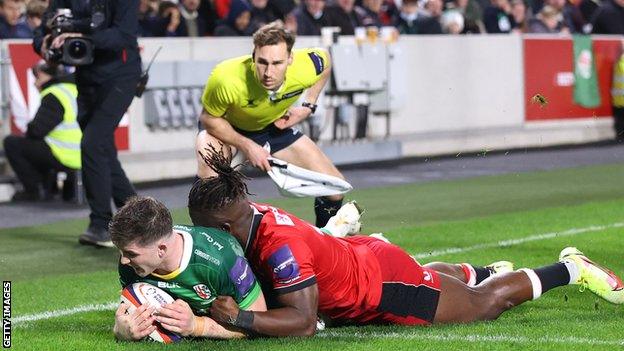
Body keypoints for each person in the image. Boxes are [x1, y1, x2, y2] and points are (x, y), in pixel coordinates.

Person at [187, 148, 624, 337]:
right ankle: (484, 269)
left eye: (203, 228)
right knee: (441, 282)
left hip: (381, 287)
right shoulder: (251, 217)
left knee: (482, 305)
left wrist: (239, 319)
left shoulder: (276, 247)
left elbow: (301, 323)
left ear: (224, 227)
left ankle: (572, 268)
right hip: (361, 258)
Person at [196, 22, 345, 228]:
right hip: (224, 127)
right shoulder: (225, 77)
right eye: (262, 62)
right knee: (210, 183)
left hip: (269, 128)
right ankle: (208, 247)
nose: (268, 72)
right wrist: (248, 146)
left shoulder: (307, 65)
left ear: (290, 59)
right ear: (253, 56)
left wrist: (308, 106)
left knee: (334, 190)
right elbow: (209, 118)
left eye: (277, 63)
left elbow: (326, 62)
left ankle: (326, 246)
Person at [33, 0, 142, 248]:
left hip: (121, 74)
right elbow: (41, 33)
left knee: (93, 143)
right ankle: (141, 218)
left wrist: (82, 35)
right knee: (103, 151)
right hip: (86, 75)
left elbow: (122, 35)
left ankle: (101, 224)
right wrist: (47, 44)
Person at [110, 196, 267, 341]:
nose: (124, 260)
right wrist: (120, 330)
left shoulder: (221, 260)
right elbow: (129, 313)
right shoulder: (131, 265)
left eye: (130, 253)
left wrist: (197, 326)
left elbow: (259, 323)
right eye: (122, 252)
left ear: (161, 250)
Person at [3, 62, 81, 202]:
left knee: (12, 143)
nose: (34, 83)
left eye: (37, 77)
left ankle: (33, 190)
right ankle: (51, 188)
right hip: (83, 153)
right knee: (38, 146)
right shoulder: (73, 89)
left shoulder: (54, 94)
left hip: (65, 154)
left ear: (46, 76)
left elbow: (37, 131)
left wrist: (29, 128)